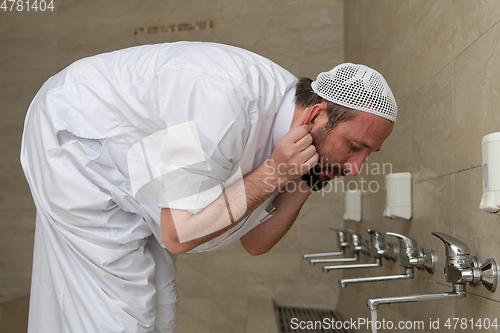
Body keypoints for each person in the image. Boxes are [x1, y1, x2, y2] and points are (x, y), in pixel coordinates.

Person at [20, 41, 397, 333]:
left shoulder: (292, 127)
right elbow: (179, 235)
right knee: (117, 311)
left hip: (136, 166)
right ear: (317, 115)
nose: (356, 167)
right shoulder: (224, 104)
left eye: (368, 154)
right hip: (80, 139)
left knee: (161, 308)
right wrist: (274, 172)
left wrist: (305, 179)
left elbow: (255, 243)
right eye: (355, 147)